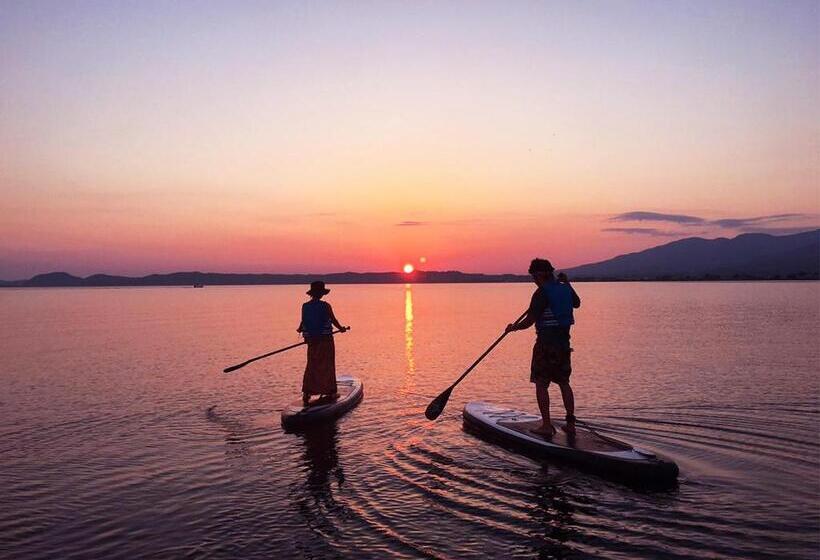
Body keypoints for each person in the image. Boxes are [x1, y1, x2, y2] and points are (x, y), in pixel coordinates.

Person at [505, 259, 581, 437]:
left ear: (540, 274)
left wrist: (513, 327)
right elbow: (577, 303)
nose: (533, 279)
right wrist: (567, 283)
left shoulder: (541, 293)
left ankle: (547, 425)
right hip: (564, 345)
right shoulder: (564, 289)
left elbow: (530, 321)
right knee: (564, 383)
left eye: (534, 276)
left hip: (545, 345)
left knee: (541, 384)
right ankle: (571, 425)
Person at [297, 281, 349, 406]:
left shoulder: (305, 306)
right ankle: (329, 391)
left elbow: (303, 321)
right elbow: (333, 320)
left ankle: (307, 393)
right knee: (326, 364)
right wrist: (341, 328)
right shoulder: (325, 306)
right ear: (321, 294)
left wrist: (299, 329)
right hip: (325, 340)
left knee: (312, 364)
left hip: (311, 341)